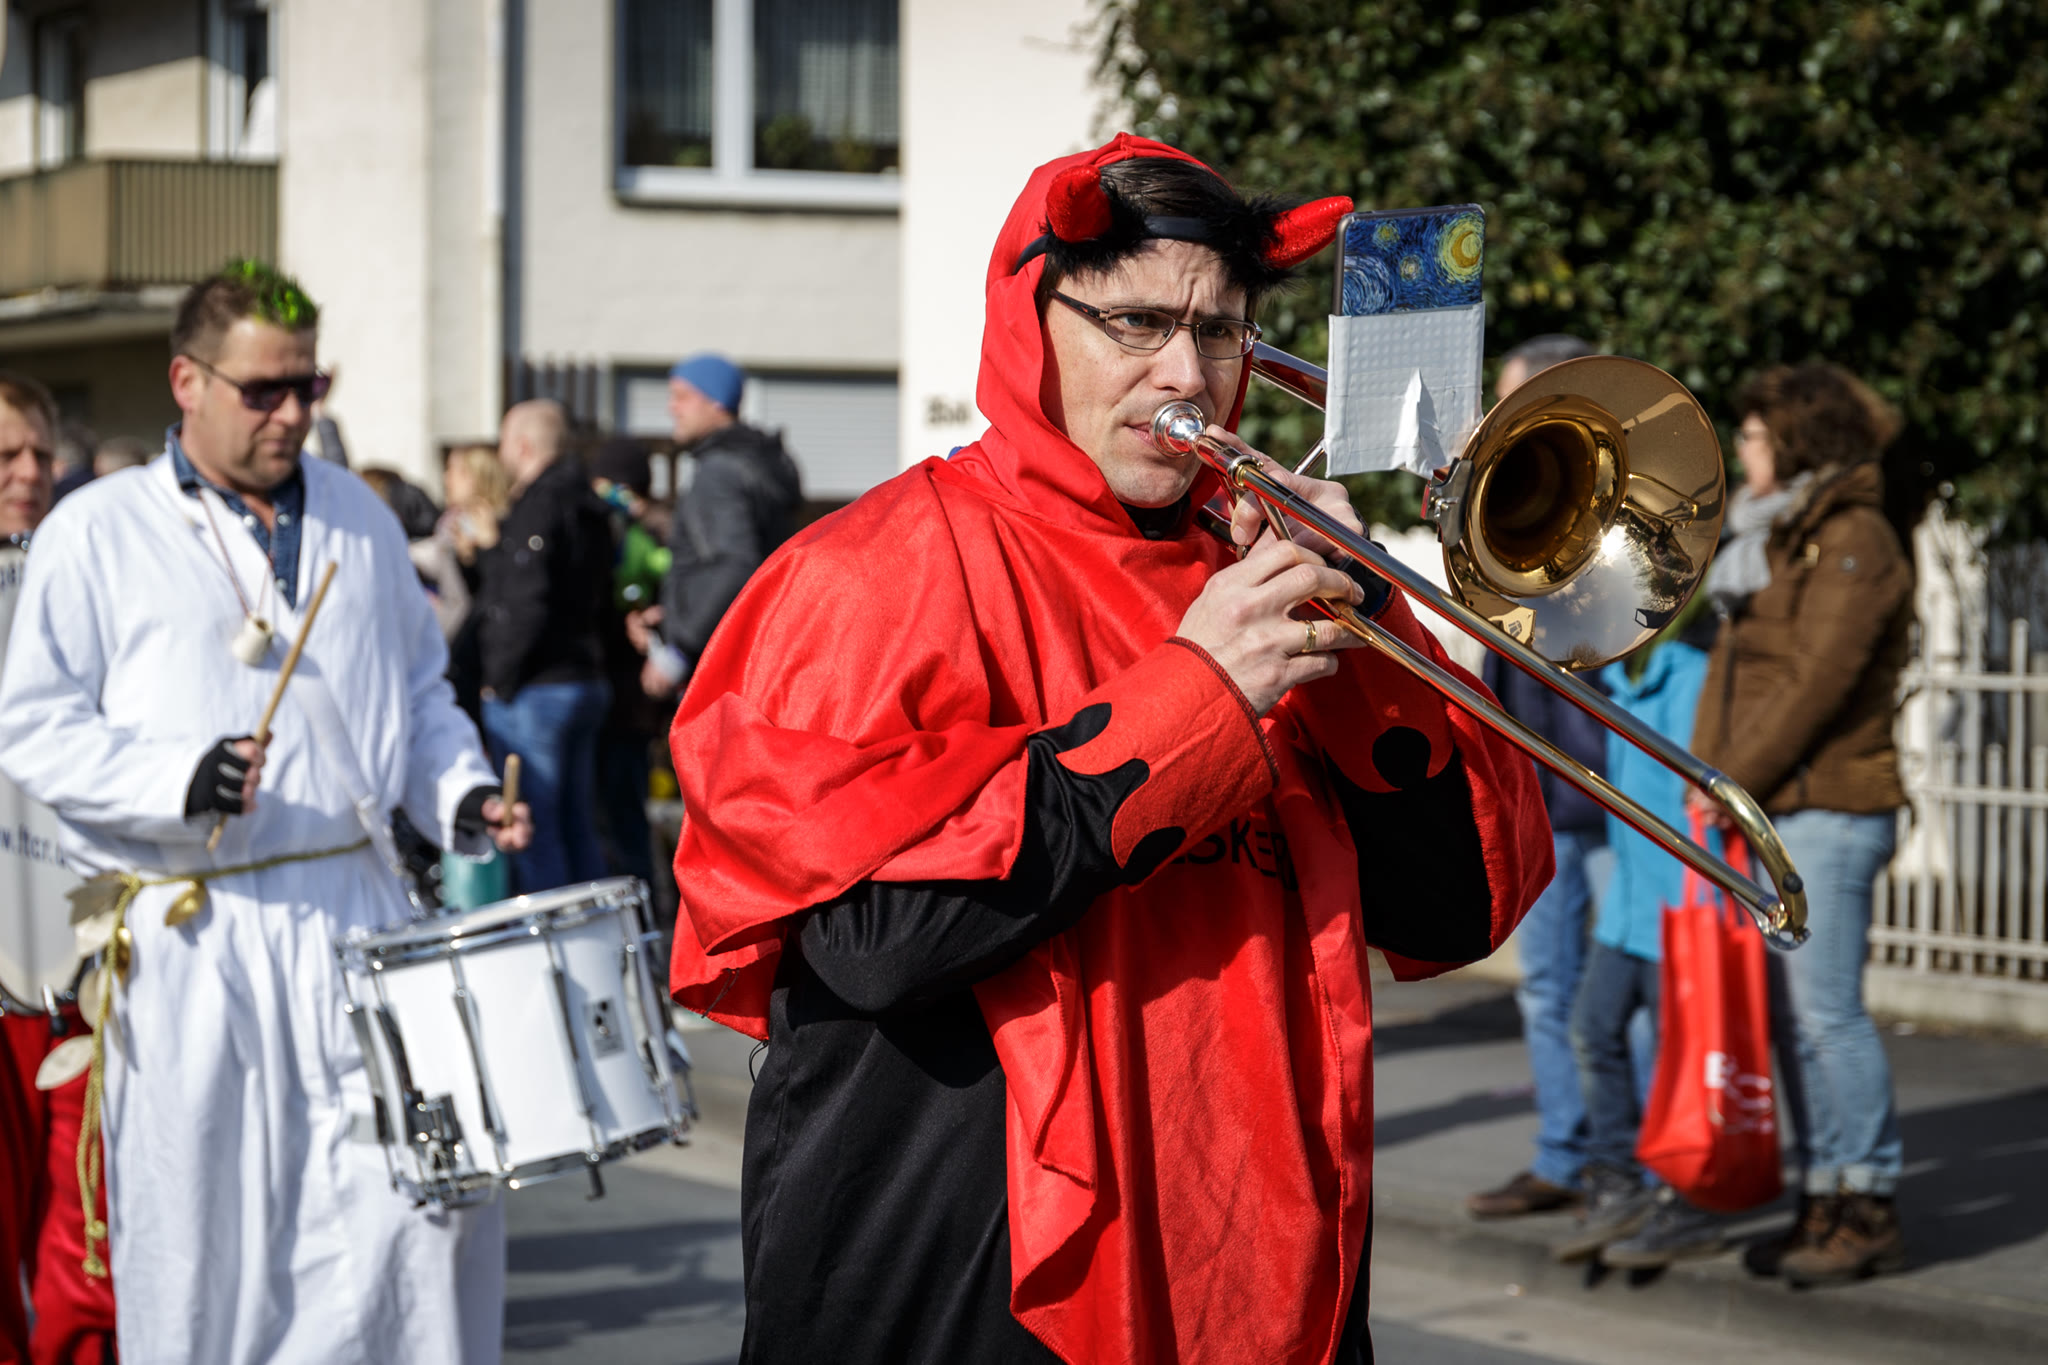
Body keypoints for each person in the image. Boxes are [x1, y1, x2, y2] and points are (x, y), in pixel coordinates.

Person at [666, 135, 1552, 1363]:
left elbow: (1450, 909)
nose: (1185, 374)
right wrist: (1196, 700)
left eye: (1219, 330)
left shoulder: (1258, 561)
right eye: (1134, 323)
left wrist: (1369, 632)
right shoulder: (865, 569)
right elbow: (870, 941)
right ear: (1030, 323)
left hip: (1259, 1261)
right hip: (962, 1274)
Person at [0, 261, 532, 1364]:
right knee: (213, 1245)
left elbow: (419, 697)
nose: (292, 413)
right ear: (186, 382)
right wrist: (176, 780)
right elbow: (35, 726)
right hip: (200, 934)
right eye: (264, 390)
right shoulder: (96, 532)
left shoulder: (361, 520)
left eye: (309, 385)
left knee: (413, 1233)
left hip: (362, 916)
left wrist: (463, 794)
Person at [1690, 361, 1913, 1287]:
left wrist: (1729, 778)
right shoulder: (1776, 533)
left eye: (1753, 434)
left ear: (1797, 439)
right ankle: (1823, 1194)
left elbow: (1816, 683)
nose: (1741, 447)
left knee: (1828, 1015)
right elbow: (1737, 668)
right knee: (1801, 1019)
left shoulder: (1854, 538)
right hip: (1782, 807)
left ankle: (1868, 1202)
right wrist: (1704, 771)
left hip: (1832, 806)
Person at [1466, 333, 1615, 1221]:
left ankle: (1634, 1159)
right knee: (1552, 987)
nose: (1498, 421)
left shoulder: (1613, 503)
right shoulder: (1510, 513)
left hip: (1610, 790)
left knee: (1624, 995)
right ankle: (1569, 1152)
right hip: (1548, 788)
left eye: (1510, 405)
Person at [0, 370, 116, 1365]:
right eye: (7, 456)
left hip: (85, 964)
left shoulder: (87, 581)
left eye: (42, 454)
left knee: (91, 1246)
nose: (30, 474)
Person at [1551, 608, 1724, 1266]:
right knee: (1592, 1030)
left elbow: (1699, 797)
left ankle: (1689, 1199)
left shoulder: (1692, 674)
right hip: (1629, 906)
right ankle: (1619, 1183)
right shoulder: (1622, 678)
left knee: (1683, 1062)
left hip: (1680, 907)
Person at [474, 400, 614, 892]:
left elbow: (526, 600)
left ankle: (559, 939)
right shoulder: (590, 502)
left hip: (537, 687)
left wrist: (498, 678)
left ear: (523, 446)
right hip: (583, 677)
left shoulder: (540, 503)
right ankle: (594, 935)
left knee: (535, 832)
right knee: (578, 826)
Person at [643, 352, 801, 696]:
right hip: (759, 655)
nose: (672, 408)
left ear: (716, 401)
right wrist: (675, 611)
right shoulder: (759, 461)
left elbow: (734, 565)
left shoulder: (719, 472)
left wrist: (680, 649)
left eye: (682, 396)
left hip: (717, 664)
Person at [588, 439, 672, 892]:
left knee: (621, 814)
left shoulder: (639, 535)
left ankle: (639, 908)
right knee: (622, 812)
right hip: (628, 696)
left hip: (626, 697)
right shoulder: (648, 530)